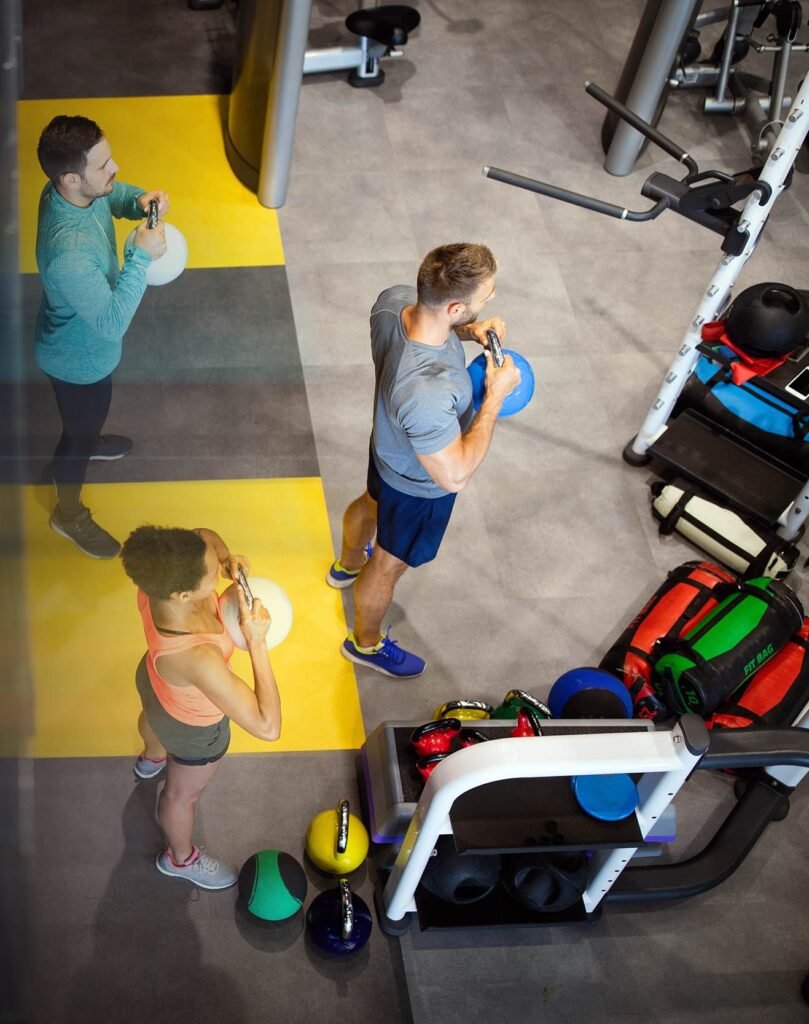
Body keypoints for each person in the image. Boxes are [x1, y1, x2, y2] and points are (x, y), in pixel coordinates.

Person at [327, 242, 521, 678]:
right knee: (389, 563)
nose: (488, 301)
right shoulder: (428, 393)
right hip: (418, 483)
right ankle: (366, 644)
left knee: (370, 502)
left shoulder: (394, 300)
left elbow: (433, 330)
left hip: (387, 448)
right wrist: (493, 399)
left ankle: (346, 563)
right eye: (483, 299)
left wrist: (472, 331)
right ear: (454, 306)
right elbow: (454, 475)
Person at [35, 114, 169, 559]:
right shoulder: (68, 255)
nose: (114, 170)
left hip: (86, 349)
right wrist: (140, 256)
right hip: (78, 362)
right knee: (75, 437)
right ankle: (67, 513)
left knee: (86, 422)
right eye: (103, 166)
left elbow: (108, 198)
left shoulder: (66, 192)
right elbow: (112, 322)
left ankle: (88, 437)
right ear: (71, 177)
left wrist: (137, 201)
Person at [120, 525, 283, 891]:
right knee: (181, 796)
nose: (219, 576)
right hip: (195, 730)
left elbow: (203, 534)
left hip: (154, 680)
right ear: (182, 594)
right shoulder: (199, 657)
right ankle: (179, 858)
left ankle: (151, 758)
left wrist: (225, 559)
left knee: (153, 720)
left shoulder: (154, 581)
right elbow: (267, 726)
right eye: (212, 577)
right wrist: (257, 643)